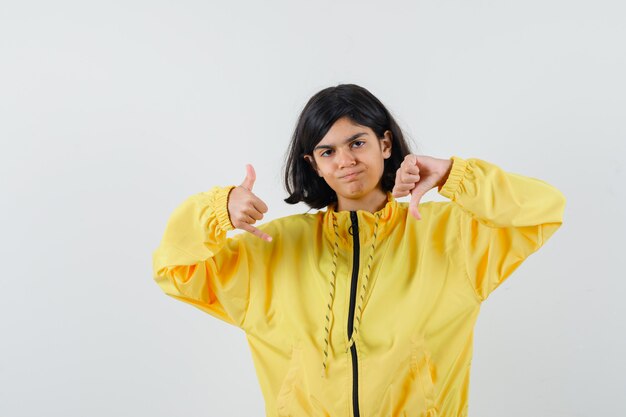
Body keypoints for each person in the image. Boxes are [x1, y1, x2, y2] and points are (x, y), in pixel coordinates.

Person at [152, 83, 566, 417]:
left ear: (385, 144)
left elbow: (542, 210)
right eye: (327, 151)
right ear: (313, 164)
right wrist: (215, 211)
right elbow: (175, 270)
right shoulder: (273, 249)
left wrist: (454, 176)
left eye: (357, 143)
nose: (345, 160)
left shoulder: (450, 239)